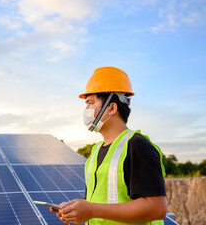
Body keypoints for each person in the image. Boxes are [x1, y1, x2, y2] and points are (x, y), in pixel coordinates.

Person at [51, 67, 167, 224]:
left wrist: (91, 210)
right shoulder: (95, 150)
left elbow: (157, 208)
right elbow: (94, 202)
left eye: (90, 103)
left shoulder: (137, 146)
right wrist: (74, 210)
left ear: (112, 108)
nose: (86, 110)